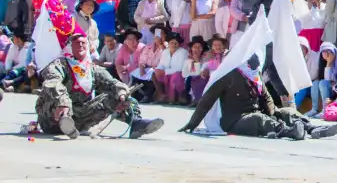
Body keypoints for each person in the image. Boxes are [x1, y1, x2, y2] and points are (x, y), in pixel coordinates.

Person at [178, 55, 337, 140]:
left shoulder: (256, 76)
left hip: (258, 113)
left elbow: (267, 97)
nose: (256, 65)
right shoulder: (229, 75)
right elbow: (207, 99)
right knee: (257, 118)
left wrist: (275, 113)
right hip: (235, 120)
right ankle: (289, 132)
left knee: (285, 111)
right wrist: (192, 124)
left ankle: (311, 128)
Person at [35, 33, 164, 139]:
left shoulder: (91, 68)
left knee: (123, 98)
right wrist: (63, 102)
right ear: (69, 46)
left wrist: (121, 94)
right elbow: (52, 83)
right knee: (52, 94)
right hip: (53, 116)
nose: (80, 45)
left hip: (81, 114)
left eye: (83, 42)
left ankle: (136, 123)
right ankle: (64, 122)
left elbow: (112, 83)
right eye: (76, 42)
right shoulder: (59, 65)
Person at [157, 30, 188, 104]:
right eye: (172, 43)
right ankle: (162, 95)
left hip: (181, 75)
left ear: (179, 44)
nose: (174, 45)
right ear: (168, 43)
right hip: (167, 73)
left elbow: (180, 68)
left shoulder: (183, 52)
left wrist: (165, 71)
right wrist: (158, 70)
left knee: (175, 76)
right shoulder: (165, 52)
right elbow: (161, 64)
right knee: (155, 73)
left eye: (176, 43)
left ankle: (175, 98)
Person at [182, 35, 208, 105]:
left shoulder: (206, 58)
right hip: (191, 81)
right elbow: (184, 74)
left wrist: (197, 61)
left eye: (199, 47)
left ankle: (200, 100)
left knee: (200, 79)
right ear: (191, 48)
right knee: (193, 79)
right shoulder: (188, 59)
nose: (197, 49)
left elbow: (200, 72)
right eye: (195, 47)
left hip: (203, 80)